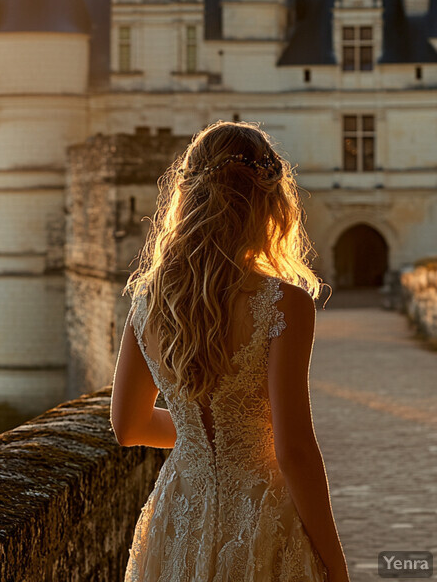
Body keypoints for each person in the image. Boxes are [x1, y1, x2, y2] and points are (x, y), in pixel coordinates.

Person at [111, 121, 349, 582]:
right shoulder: (284, 303)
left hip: (180, 513)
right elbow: (293, 448)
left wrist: (203, 438)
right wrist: (336, 568)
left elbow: (129, 426)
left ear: (188, 197)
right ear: (270, 203)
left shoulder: (150, 301)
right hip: (259, 518)